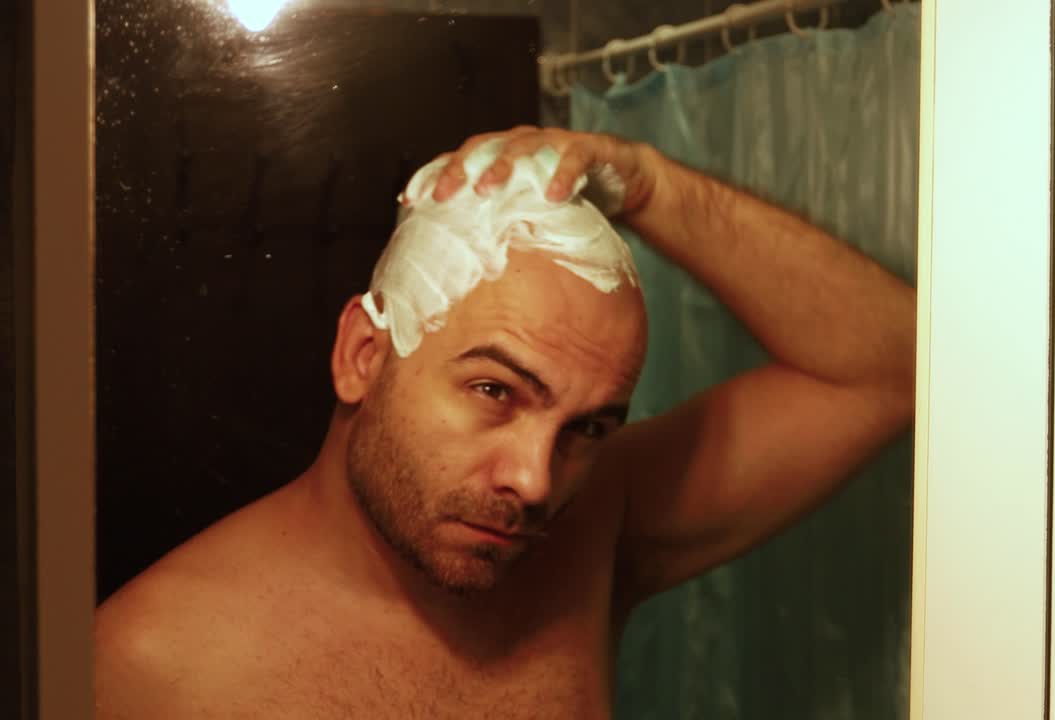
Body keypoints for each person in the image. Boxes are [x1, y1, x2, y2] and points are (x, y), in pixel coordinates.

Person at [94, 126, 916, 719]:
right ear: (363, 355)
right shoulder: (145, 666)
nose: (534, 481)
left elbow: (893, 367)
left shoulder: (593, 530)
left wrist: (652, 189)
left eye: (588, 427)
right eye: (494, 390)